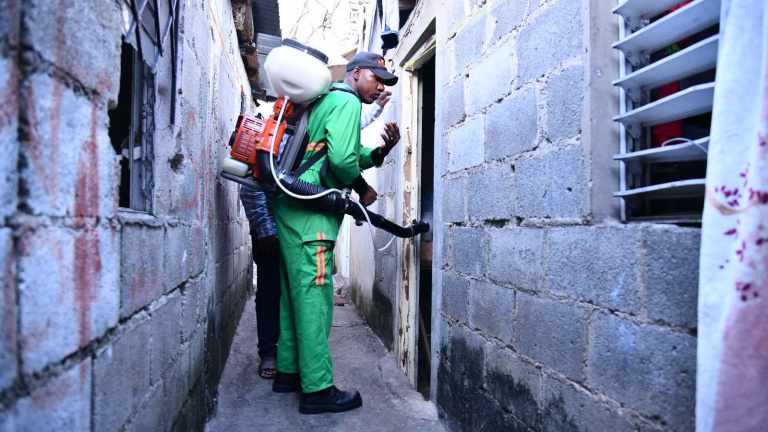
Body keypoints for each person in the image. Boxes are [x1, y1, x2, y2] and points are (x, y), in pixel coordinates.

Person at [270, 51, 401, 414]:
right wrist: (361, 187)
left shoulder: (328, 101)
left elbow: (340, 152)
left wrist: (379, 153)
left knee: (293, 294)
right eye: (376, 78)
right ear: (356, 73)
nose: (379, 87)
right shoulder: (346, 101)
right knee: (315, 300)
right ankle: (318, 390)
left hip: (291, 205)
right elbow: (343, 162)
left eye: (385, 82)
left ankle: (289, 373)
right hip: (311, 214)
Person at [239, 185, 281, 379]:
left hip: (297, 231)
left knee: (292, 293)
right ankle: (268, 351)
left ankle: (288, 349)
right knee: (269, 290)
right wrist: (264, 229)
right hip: (271, 233)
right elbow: (251, 188)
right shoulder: (268, 152)